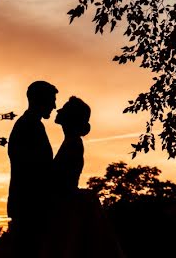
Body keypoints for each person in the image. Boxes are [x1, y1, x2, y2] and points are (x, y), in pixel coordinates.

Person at [48, 96, 125, 258]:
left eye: (63, 108)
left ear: (70, 117)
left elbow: (63, 182)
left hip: (65, 210)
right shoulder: (71, 142)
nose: (58, 110)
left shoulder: (73, 144)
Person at [8, 80, 58, 258]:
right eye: (52, 100)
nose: (54, 105)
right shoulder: (29, 126)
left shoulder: (29, 124)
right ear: (40, 100)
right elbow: (36, 169)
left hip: (28, 206)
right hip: (30, 207)